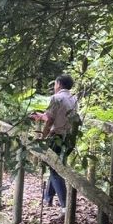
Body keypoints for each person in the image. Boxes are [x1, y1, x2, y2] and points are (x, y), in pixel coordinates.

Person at [30, 74, 78, 208]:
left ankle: (65, 206)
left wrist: (42, 137)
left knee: (55, 170)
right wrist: (41, 116)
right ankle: (48, 198)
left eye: (55, 84)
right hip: (69, 138)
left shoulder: (56, 98)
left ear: (59, 84)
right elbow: (57, 117)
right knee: (54, 166)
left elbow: (51, 120)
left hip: (57, 137)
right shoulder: (73, 98)